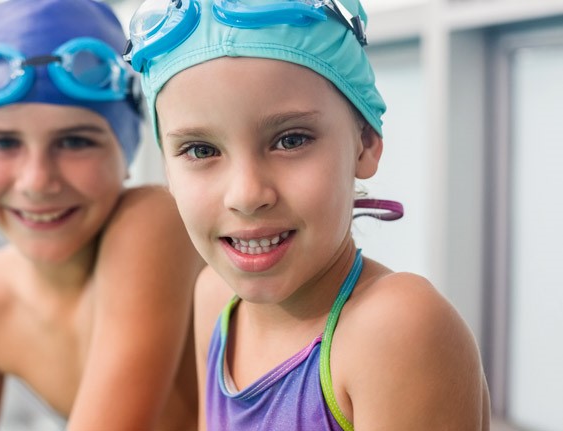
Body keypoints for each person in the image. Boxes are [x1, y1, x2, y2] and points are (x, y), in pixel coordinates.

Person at [126, 0, 491, 429]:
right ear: (167, 169)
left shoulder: (395, 330)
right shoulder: (215, 299)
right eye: (201, 150)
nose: (246, 194)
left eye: (291, 140)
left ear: (366, 143)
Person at [0, 0, 205, 430]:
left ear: (127, 151)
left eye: (76, 142)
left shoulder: (154, 224)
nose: (37, 181)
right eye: (2, 143)